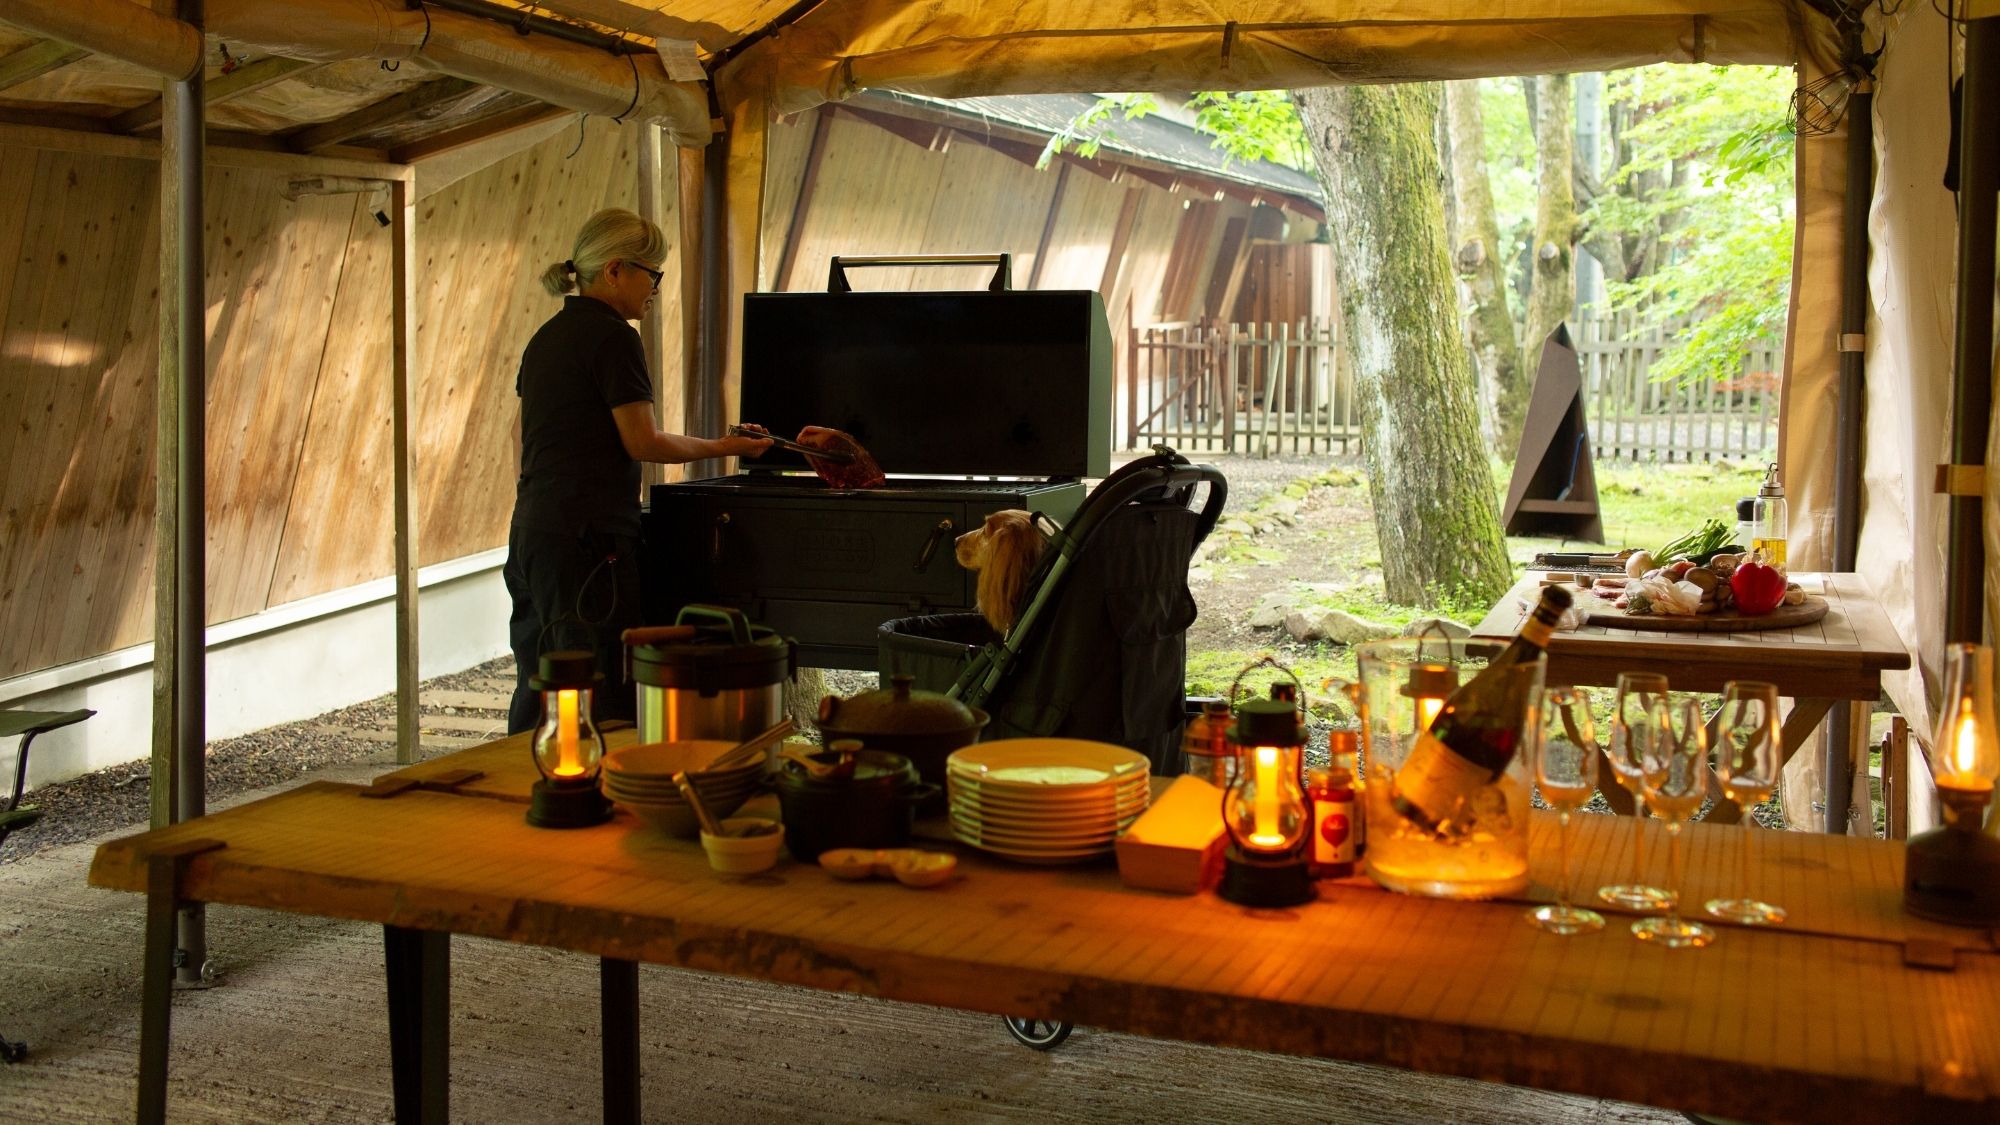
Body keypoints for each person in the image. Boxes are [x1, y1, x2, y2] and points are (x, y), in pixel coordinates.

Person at [506, 208, 772, 734]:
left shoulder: (547, 336)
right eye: (652, 274)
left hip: (533, 531)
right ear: (614, 271)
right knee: (597, 681)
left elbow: (527, 436)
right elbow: (642, 441)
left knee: (541, 675)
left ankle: (515, 786)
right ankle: (603, 798)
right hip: (589, 543)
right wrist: (724, 444)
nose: (655, 288)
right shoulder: (614, 338)